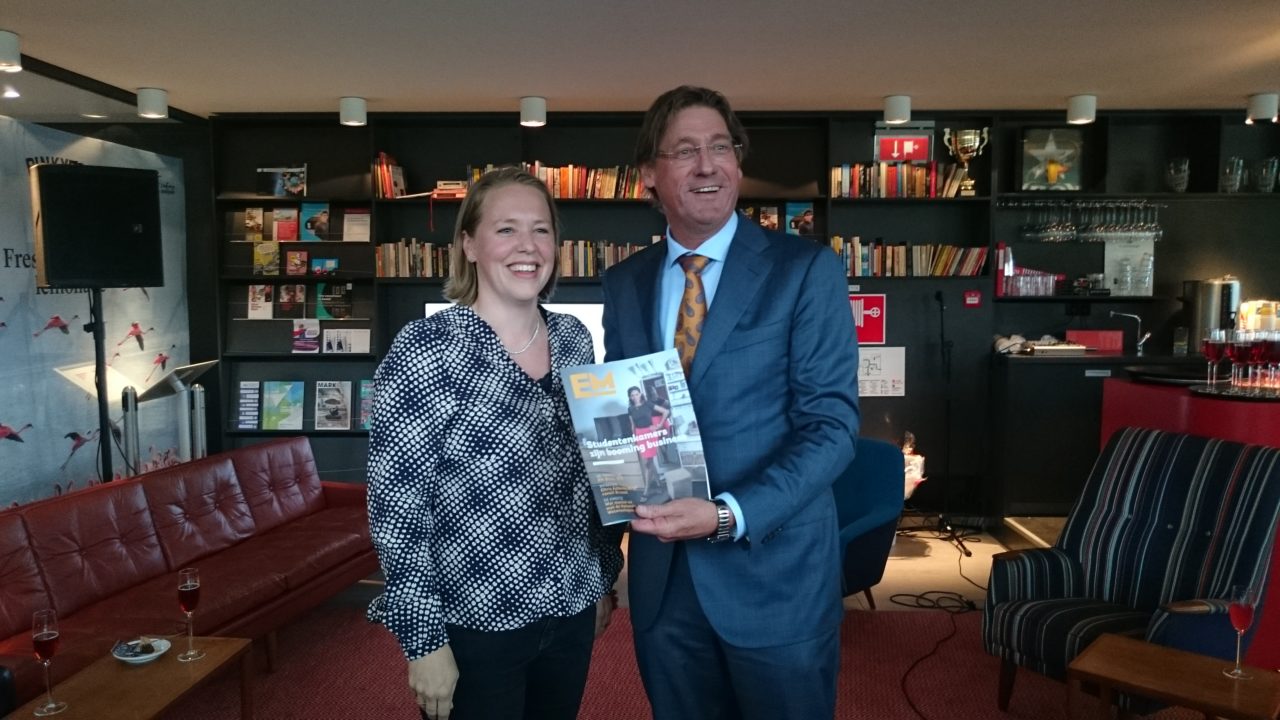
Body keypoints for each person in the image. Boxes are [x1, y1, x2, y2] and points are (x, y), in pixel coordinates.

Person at [600, 85, 860, 719]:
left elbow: (832, 428)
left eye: (721, 147)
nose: (707, 165)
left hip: (775, 575)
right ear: (649, 174)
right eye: (685, 150)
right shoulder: (625, 283)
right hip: (663, 586)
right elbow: (629, 433)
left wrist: (726, 515)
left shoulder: (805, 270)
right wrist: (604, 565)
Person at [367, 167, 623, 720]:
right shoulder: (427, 349)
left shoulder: (574, 340)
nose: (527, 246)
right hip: (476, 623)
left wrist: (602, 578)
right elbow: (396, 508)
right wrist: (423, 641)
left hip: (571, 607)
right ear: (469, 244)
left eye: (541, 230)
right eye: (506, 229)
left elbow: (591, 474)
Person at [627, 385, 671, 501]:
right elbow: (633, 425)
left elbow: (665, 411)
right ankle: (658, 484)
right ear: (630, 397)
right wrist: (635, 438)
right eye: (632, 395)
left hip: (650, 433)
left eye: (637, 394)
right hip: (639, 434)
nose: (635, 397)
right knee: (648, 462)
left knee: (648, 462)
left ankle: (646, 491)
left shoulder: (647, 404)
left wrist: (659, 425)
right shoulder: (630, 409)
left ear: (640, 394)